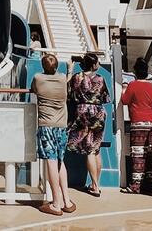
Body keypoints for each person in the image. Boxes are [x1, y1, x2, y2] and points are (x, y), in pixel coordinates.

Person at [30, 52, 77, 216]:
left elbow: (33, 89)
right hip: (61, 125)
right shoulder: (63, 78)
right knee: (60, 161)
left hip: (47, 125)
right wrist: (70, 70)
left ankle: (56, 203)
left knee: (51, 162)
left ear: (43, 66)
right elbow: (67, 79)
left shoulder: (38, 78)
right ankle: (67, 200)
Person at [67, 52, 110, 196]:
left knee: (90, 149)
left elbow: (68, 92)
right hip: (98, 112)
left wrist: (69, 70)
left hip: (82, 111)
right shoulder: (100, 79)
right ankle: (95, 183)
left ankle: (95, 186)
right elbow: (105, 98)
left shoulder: (77, 77)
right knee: (96, 148)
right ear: (93, 64)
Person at [121, 56, 152, 194]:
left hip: (138, 122)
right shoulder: (150, 86)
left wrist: (124, 87)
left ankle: (135, 185)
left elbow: (125, 100)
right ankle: (150, 184)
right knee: (151, 154)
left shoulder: (133, 85)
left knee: (138, 155)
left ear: (135, 72)